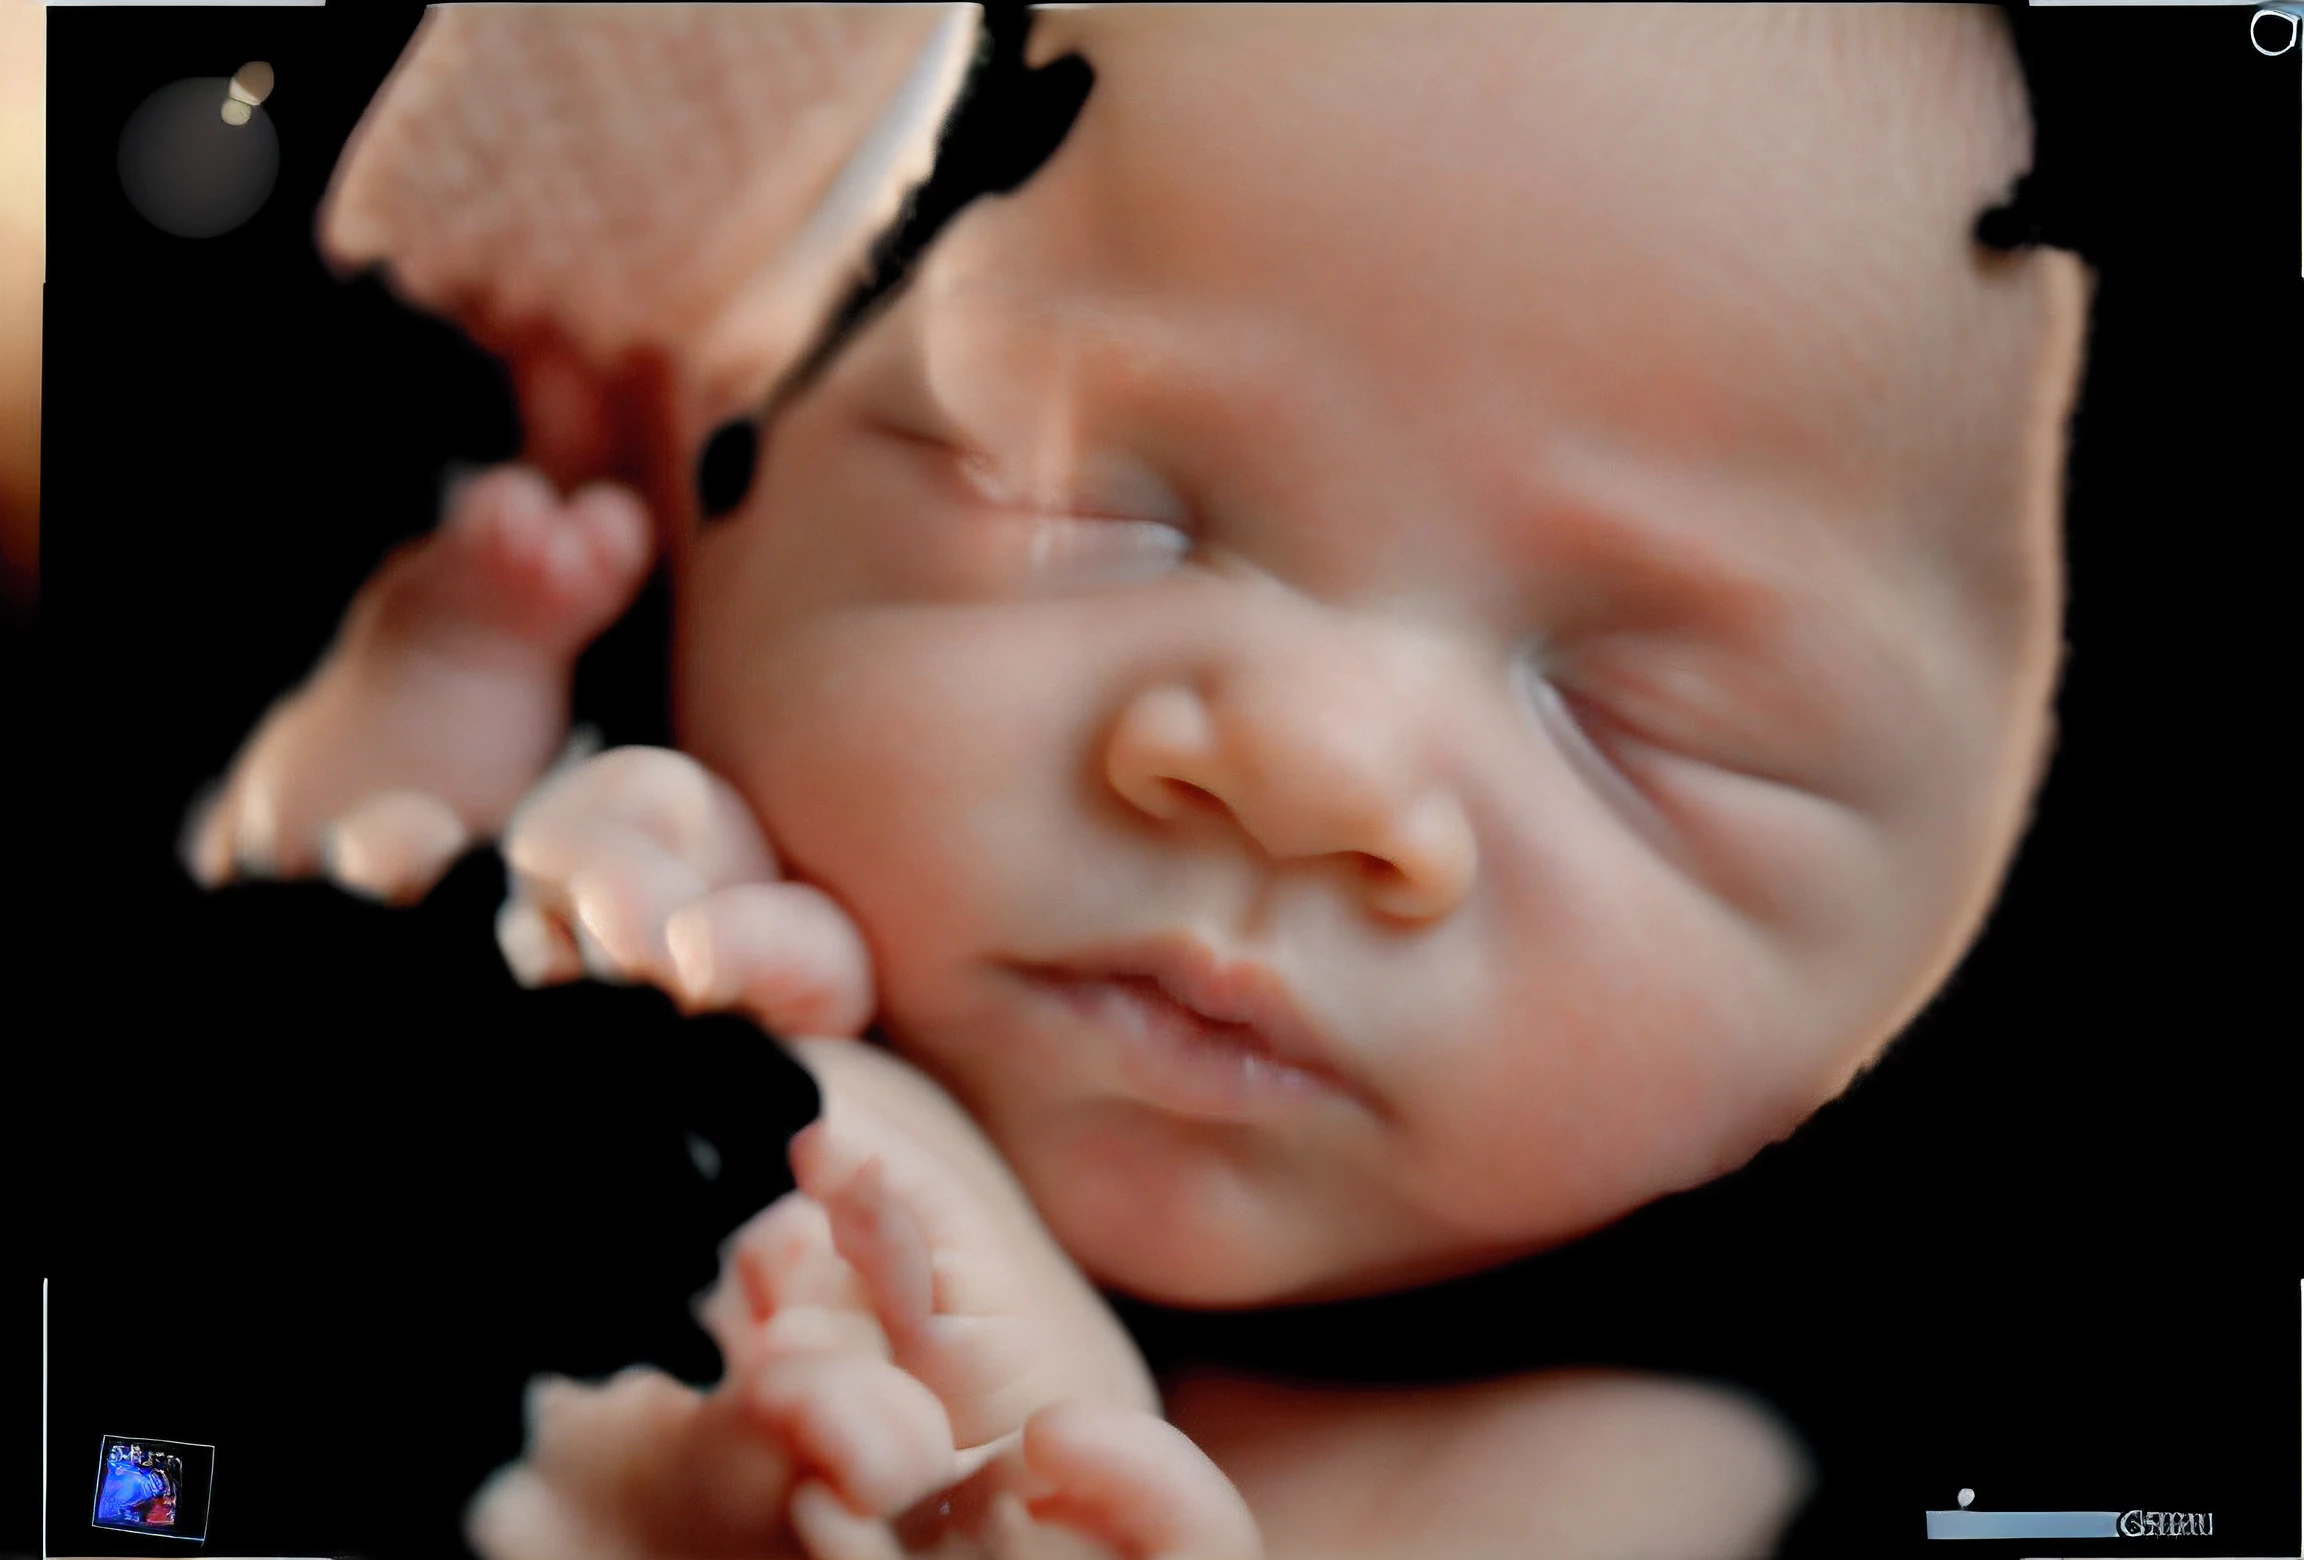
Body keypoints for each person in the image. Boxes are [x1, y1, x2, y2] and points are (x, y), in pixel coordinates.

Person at [190, 8, 2092, 1557]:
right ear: (687, 437)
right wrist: (418, 818)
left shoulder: (1610, 1489)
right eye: (1079, 503)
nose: (1302, 771)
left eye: (1647, 723)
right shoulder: (620, 834)